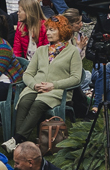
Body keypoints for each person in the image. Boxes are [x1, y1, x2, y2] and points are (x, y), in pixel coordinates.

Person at [11, 14, 82, 143]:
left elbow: (76, 78)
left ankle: (17, 140)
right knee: (24, 102)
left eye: (52, 30)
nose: (48, 33)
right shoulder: (41, 50)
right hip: (36, 87)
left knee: (37, 105)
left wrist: (53, 85)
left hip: (56, 91)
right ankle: (20, 142)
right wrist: (34, 85)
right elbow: (27, 74)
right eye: (47, 29)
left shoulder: (72, 51)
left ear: (62, 30)